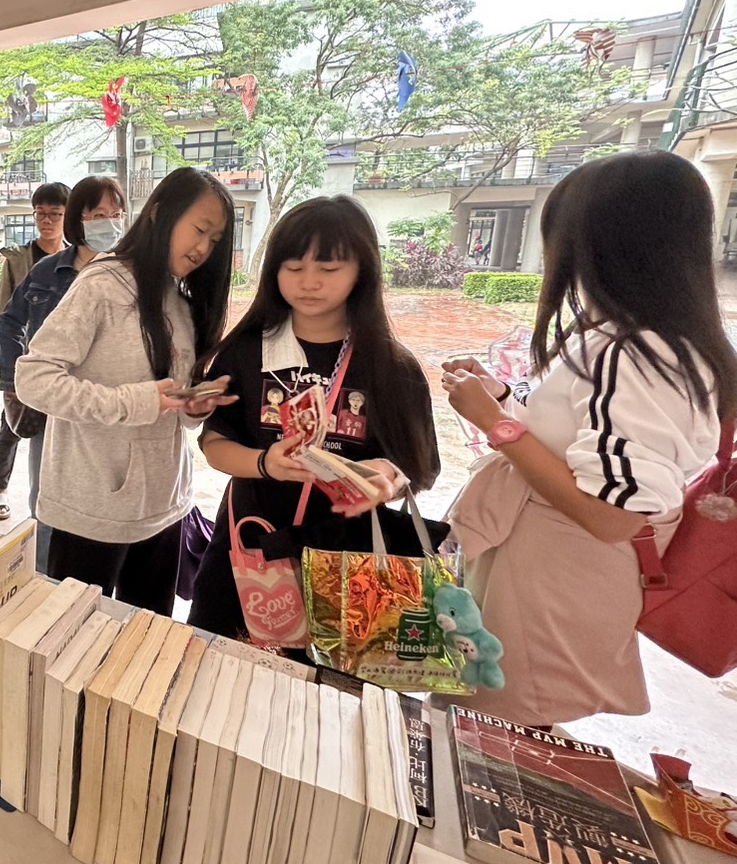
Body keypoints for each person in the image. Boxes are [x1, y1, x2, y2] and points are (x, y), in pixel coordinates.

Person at [440, 151, 736, 727]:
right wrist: (503, 401)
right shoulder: (629, 338)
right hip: (545, 576)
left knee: (502, 733)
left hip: (555, 586)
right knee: (492, 719)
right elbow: (584, 446)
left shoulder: (638, 355)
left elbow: (613, 516)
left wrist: (496, 427)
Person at [186, 195, 441, 642]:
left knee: (327, 690)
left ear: (362, 270)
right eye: (293, 267)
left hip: (346, 561)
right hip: (249, 545)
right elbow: (214, 443)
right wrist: (265, 463)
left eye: (328, 269)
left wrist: (384, 477)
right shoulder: (247, 350)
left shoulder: (390, 368)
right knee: (217, 663)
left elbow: (415, 466)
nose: (309, 283)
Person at [14, 167, 237, 615]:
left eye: (214, 240)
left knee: (144, 647)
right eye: (198, 230)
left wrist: (194, 405)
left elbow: (171, 403)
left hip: (165, 507)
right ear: (158, 214)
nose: (202, 249)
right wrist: (135, 402)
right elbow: (33, 378)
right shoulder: (101, 284)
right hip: (94, 508)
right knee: (72, 645)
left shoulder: (181, 300)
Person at [0, 174, 127, 570]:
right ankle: (43, 579)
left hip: (107, 404)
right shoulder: (47, 271)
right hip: (54, 403)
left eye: (117, 213)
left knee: (105, 495)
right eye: (99, 213)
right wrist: (14, 382)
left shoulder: (131, 271)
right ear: (80, 220)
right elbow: (9, 321)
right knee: (46, 496)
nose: (110, 222)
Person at [0, 182, 70, 519]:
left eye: (54, 214)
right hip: (26, 360)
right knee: (13, 425)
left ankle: (53, 499)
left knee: (57, 434)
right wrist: (8, 373)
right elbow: (4, 316)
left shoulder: (78, 258)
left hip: (65, 365)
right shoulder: (20, 259)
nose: (46, 221)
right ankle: (0, 486)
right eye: (40, 214)